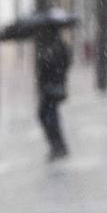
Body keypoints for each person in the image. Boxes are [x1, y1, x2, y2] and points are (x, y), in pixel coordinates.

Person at [35, 25, 73, 159]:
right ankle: (58, 146)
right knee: (49, 116)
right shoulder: (55, 47)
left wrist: (46, 61)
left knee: (48, 116)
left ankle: (57, 146)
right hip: (52, 87)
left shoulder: (54, 48)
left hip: (52, 88)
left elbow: (55, 66)